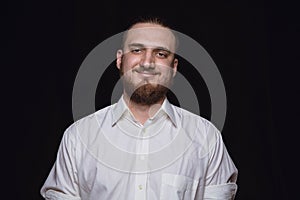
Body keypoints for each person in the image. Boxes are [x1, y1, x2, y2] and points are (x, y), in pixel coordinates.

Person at [40, 16, 238, 200]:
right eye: (137, 50)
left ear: (174, 67)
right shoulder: (78, 138)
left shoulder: (206, 138)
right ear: (120, 59)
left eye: (161, 54)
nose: (147, 62)